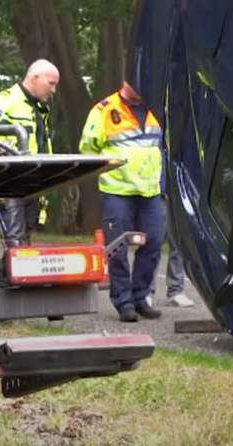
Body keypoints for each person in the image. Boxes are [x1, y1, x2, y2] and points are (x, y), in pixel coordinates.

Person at [81, 81, 165, 322]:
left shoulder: (155, 108)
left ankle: (141, 297)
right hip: (117, 190)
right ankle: (123, 302)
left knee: (155, 242)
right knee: (117, 249)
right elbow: (87, 150)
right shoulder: (104, 110)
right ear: (125, 81)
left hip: (150, 191)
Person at [0, 59, 59, 246]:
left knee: (24, 242)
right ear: (34, 78)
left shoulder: (37, 108)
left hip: (32, 185)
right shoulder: (1, 102)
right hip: (9, 185)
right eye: (51, 83)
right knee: (14, 244)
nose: (53, 90)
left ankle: (17, 274)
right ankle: (9, 274)